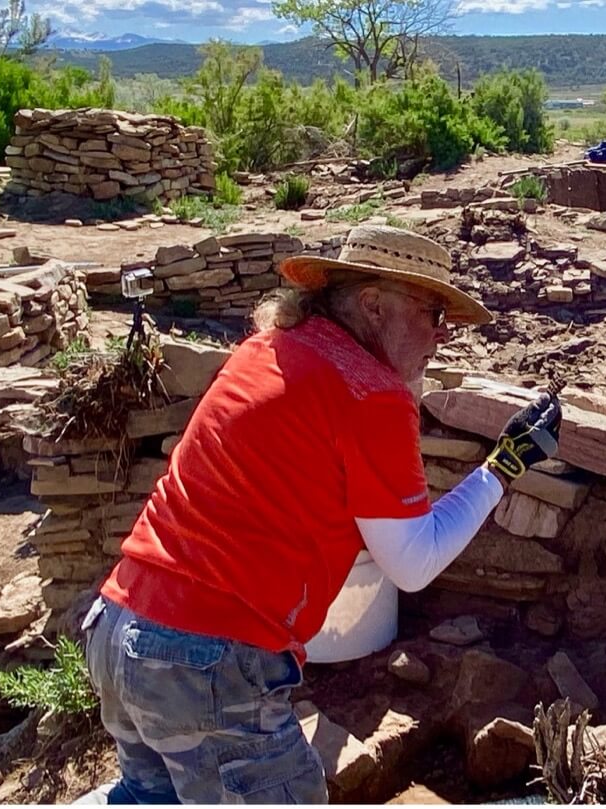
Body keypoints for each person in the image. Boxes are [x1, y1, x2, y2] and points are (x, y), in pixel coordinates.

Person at [79, 224, 561, 804]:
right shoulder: (370, 395)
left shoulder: (267, 350)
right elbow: (412, 563)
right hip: (206, 659)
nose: (441, 337)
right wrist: (501, 469)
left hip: (120, 625)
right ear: (373, 304)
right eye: (433, 314)